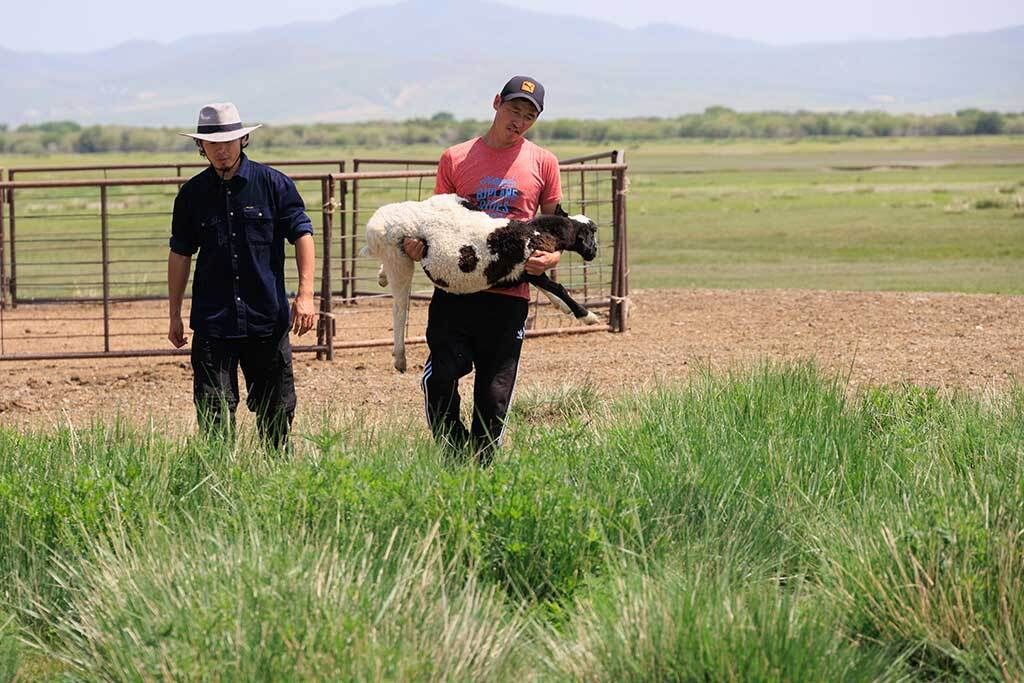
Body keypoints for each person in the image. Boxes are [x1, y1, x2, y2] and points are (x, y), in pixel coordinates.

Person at [403, 76, 563, 464]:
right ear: (496, 103)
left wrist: (551, 257)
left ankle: (482, 471)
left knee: (493, 397)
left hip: (509, 298)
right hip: (456, 294)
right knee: (439, 379)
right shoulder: (455, 158)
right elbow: (436, 221)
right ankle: (455, 456)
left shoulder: (543, 162)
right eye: (513, 109)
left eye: (529, 115)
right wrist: (417, 246)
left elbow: (556, 228)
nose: (519, 120)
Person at [167, 102, 316, 449]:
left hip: (266, 318)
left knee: (276, 411)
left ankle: (276, 480)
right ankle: (219, 480)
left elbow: (302, 235)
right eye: (213, 143)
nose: (222, 150)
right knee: (213, 410)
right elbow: (180, 253)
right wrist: (174, 313)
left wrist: (305, 295)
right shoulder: (191, 196)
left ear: (244, 139)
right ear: (200, 147)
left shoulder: (274, 185)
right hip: (213, 322)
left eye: (229, 141)